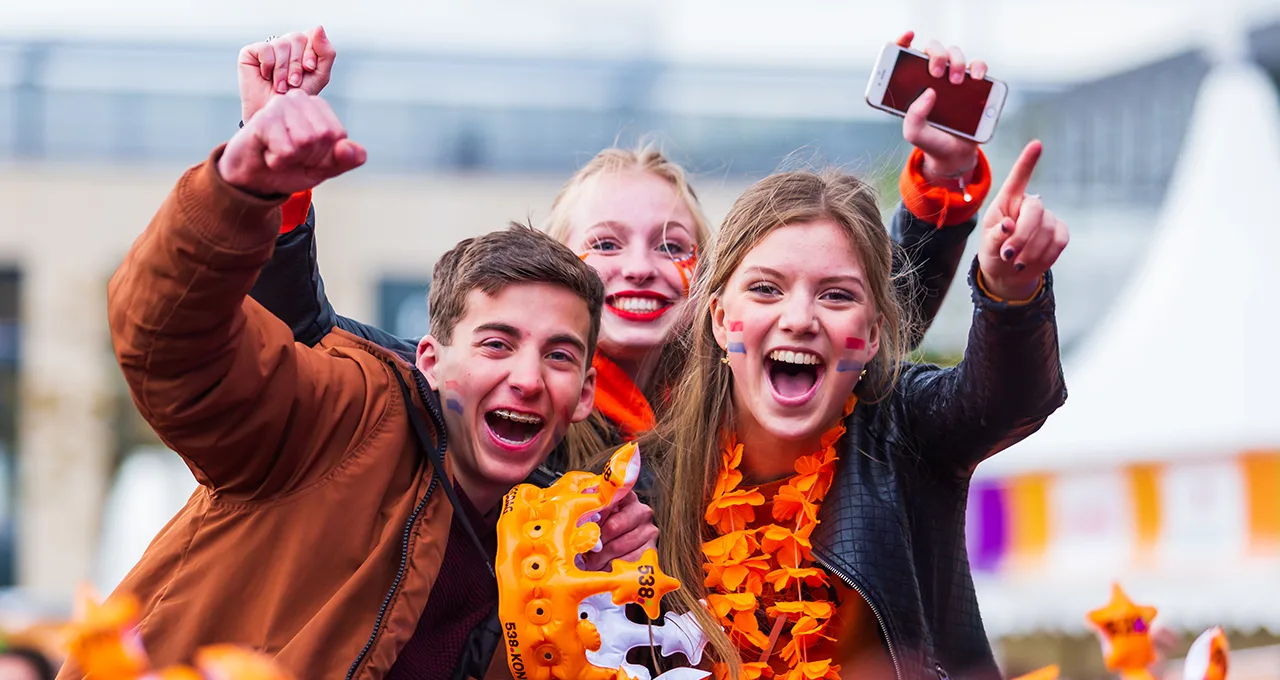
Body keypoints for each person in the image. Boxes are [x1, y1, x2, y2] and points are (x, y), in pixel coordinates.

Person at [56, 91, 655, 680]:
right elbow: (173, 346)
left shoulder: (549, 541)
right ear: (431, 361)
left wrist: (585, 607)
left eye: (558, 356)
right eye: (496, 344)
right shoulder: (347, 416)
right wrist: (236, 194)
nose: (526, 380)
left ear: (583, 393)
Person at [241, 29, 997, 477]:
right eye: (604, 243)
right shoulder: (476, 381)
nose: (640, 265)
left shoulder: (753, 389)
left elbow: (875, 311)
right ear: (551, 269)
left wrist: (944, 175)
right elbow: (306, 330)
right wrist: (275, 177)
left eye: (674, 245)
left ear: (715, 289)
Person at [648, 139, 1069, 679]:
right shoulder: (641, 487)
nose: (799, 318)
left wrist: (1010, 291)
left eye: (836, 295)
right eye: (766, 289)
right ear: (719, 319)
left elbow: (1005, 399)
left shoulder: (903, 430)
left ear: (873, 335)